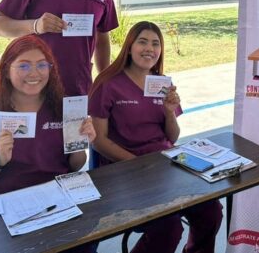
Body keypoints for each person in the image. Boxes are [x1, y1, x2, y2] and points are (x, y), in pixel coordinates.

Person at [89, 21, 223, 253]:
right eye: (142, 42)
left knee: (211, 210)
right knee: (168, 227)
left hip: (165, 163)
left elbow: (172, 136)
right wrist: (139, 165)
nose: (149, 48)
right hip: (126, 170)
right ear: (129, 46)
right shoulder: (108, 84)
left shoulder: (162, 83)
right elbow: (98, 140)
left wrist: (169, 112)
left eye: (155, 43)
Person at [0, 34, 96, 197]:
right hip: (6, 200)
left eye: (42, 65)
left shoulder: (63, 109)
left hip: (56, 196)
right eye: (23, 66)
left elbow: (75, 166)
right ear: (6, 71)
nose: (34, 73)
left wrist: (80, 144)